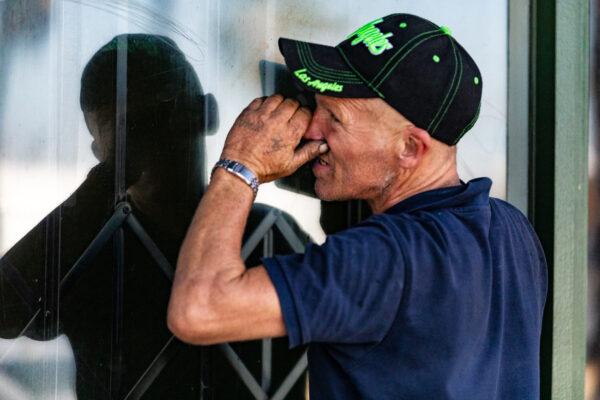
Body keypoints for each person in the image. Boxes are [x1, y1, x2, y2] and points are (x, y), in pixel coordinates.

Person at [168, 13, 548, 399]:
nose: (312, 130)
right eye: (316, 106)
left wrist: (239, 166)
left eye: (335, 117)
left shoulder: (382, 257)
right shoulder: (511, 229)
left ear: (409, 148)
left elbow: (199, 309)